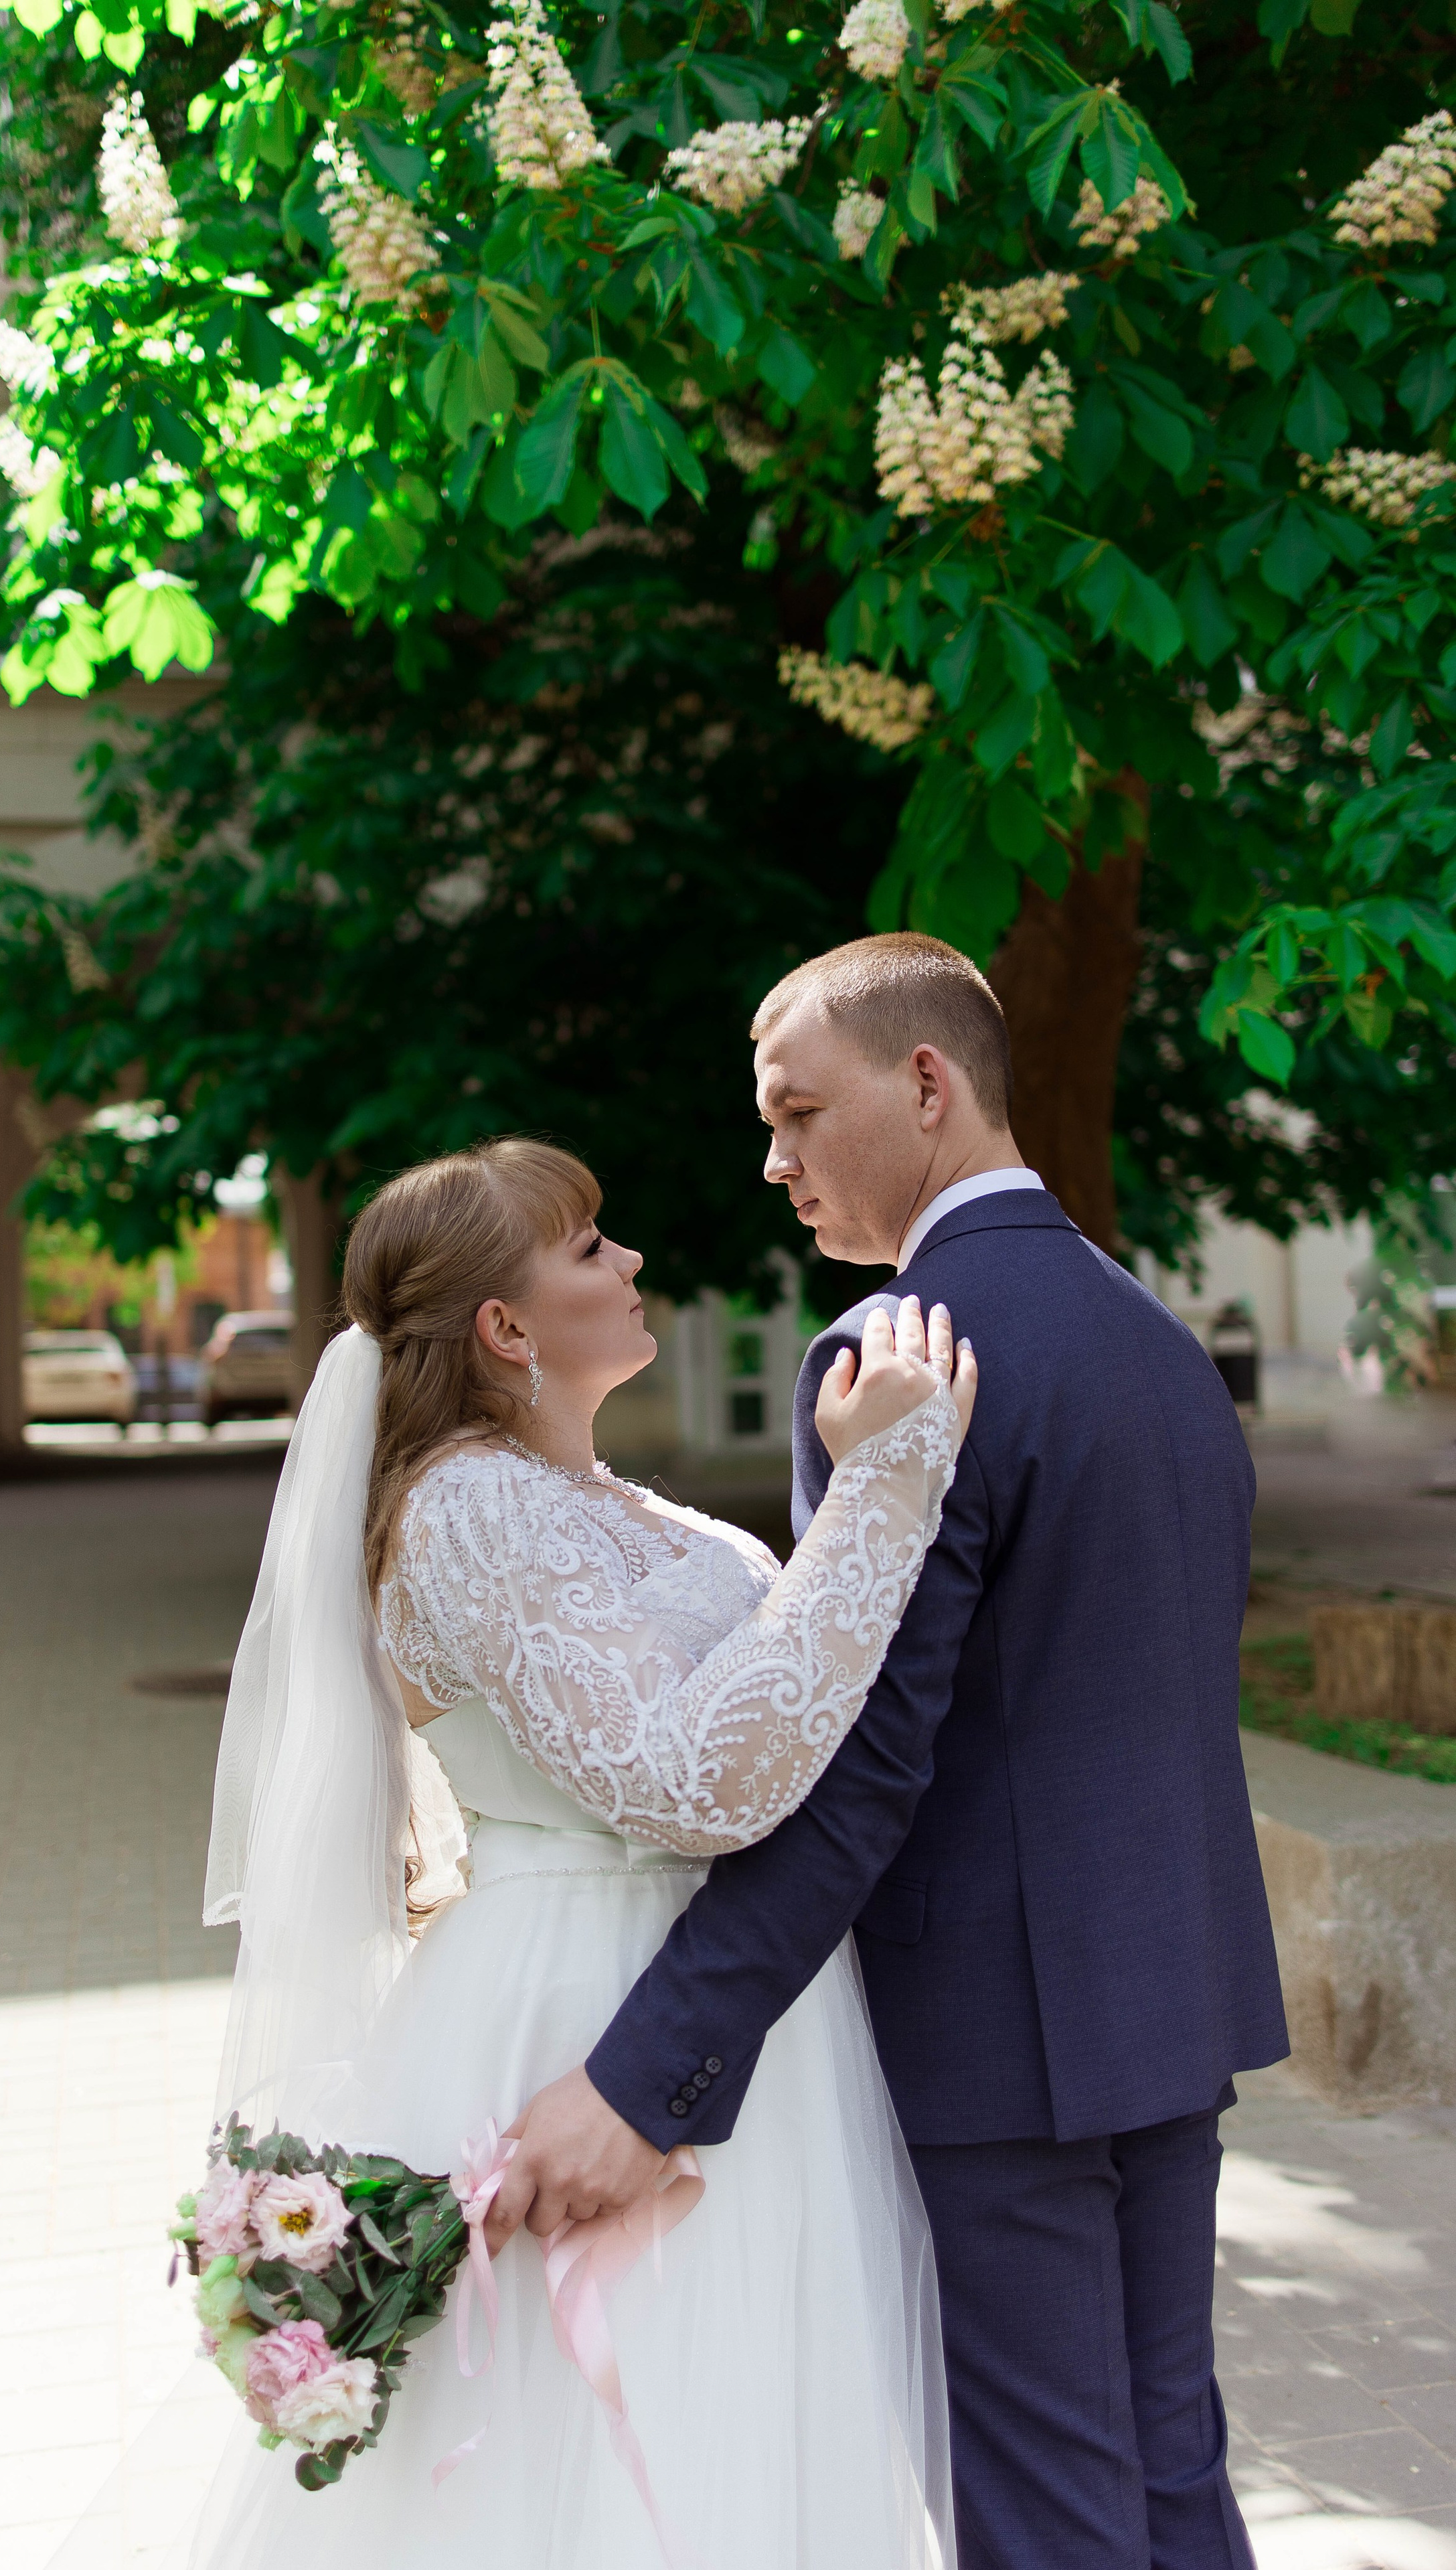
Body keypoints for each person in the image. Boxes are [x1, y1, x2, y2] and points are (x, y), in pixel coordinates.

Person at [491, 934, 1290, 2570]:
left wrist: (649, 2076)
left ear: (924, 1082)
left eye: (797, 1111)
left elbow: (860, 1767)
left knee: (1043, 2505)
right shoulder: (1154, 1342)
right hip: (1170, 1995)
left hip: (991, 2037)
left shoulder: (898, 1355)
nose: (771, 1159)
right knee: (1166, 2470)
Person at [188, 1135, 978, 2569]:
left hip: (722, 1994)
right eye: (587, 1244)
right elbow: (686, 1779)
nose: (626, 1259)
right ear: (503, 1326)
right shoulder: (466, 1505)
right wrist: (880, 1491)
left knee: (742, 2419)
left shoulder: (621, 1503)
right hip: (583, 1999)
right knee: (611, 2444)